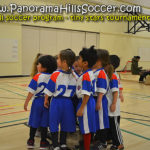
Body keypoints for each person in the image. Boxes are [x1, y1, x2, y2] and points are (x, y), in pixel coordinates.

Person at [44, 49, 76, 150]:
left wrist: (46, 100)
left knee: (54, 122)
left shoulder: (55, 74)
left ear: (64, 62)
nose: (57, 60)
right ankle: (63, 143)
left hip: (57, 102)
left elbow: (49, 90)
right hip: (68, 103)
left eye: (58, 58)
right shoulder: (75, 75)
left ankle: (55, 145)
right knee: (65, 123)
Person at [24, 55, 57, 149]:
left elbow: (31, 91)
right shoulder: (53, 76)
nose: (37, 65)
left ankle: (31, 140)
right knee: (44, 123)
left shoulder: (37, 76)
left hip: (37, 102)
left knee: (34, 121)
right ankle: (43, 141)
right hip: (47, 102)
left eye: (38, 64)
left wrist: (26, 102)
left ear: (44, 67)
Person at [76, 46, 97, 150]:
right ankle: (85, 146)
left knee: (87, 128)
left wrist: (81, 108)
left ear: (85, 63)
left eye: (79, 58)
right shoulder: (86, 74)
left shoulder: (86, 76)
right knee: (85, 127)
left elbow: (87, 94)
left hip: (86, 102)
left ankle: (87, 148)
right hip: (87, 102)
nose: (78, 60)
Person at [93, 49, 112, 150]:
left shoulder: (101, 73)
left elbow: (102, 89)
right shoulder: (94, 71)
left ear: (100, 60)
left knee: (102, 121)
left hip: (100, 99)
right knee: (96, 121)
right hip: (94, 99)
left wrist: (99, 101)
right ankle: (96, 140)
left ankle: (103, 142)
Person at [107, 55, 124, 150]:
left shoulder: (113, 75)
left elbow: (116, 89)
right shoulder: (113, 74)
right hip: (111, 103)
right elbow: (120, 86)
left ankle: (119, 144)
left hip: (113, 105)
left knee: (115, 125)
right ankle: (111, 139)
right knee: (111, 124)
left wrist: (114, 103)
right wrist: (121, 94)